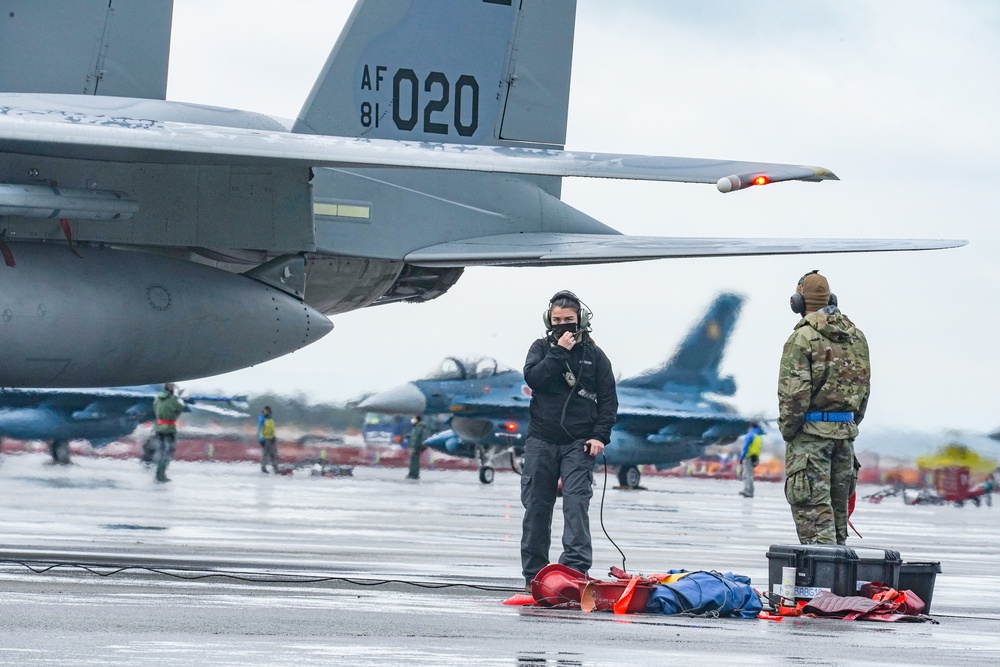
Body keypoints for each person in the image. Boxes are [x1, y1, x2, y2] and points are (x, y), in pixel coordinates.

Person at [521, 290, 617, 590]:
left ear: (582, 321)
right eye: (557, 320)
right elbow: (533, 378)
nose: (563, 326)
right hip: (541, 441)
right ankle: (534, 576)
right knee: (537, 507)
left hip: (579, 443)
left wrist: (600, 436)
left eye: (569, 320)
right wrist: (558, 352)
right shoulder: (540, 348)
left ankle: (574, 572)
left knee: (576, 506)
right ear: (548, 321)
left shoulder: (595, 356)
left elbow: (608, 400)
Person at [778, 271, 870, 545]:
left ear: (798, 302)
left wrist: (789, 431)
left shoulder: (802, 338)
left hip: (810, 442)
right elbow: (863, 393)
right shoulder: (857, 338)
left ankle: (820, 587)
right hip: (844, 440)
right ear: (831, 299)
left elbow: (794, 396)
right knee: (837, 527)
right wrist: (844, 424)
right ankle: (838, 585)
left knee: (816, 526)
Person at [152, 383, 184, 483]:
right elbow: (180, 409)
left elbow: (155, 409)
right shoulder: (173, 400)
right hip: (170, 429)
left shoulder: (157, 399)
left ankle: (158, 473)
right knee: (170, 452)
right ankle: (161, 475)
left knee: (161, 451)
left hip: (158, 428)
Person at [739, 422, 763, 498]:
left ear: (751, 427)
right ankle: (750, 491)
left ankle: (747, 491)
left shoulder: (750, 435)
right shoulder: (759, 436)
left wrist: (741, 457)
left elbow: (745, 447)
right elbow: (759, 448)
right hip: (755, 457)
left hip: (748, 457)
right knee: (750, 474)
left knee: (747, 474)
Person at [406, 415, 432, 480]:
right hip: (414, 447)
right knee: (412, 461)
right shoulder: (415, 427)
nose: (413, 420)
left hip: (416, 447)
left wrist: (420, 447)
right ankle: (411, 473)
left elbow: (421, 438)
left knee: (415, 462)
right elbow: (414, 437)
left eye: (414, 419)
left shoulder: (420, 428)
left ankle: (414, 475)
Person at [257, 406, 278, 474]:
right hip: (265, 439)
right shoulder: (262, 420)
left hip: (271, 439)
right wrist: (261, 439)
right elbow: (260, 430)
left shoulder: (271, 420)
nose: (266, 412)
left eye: (267, 411)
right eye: (265, 411)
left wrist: (274, 437)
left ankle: (275, 468)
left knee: (274, 454)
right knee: (265, 454)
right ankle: (263, 467)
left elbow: (272, 430)